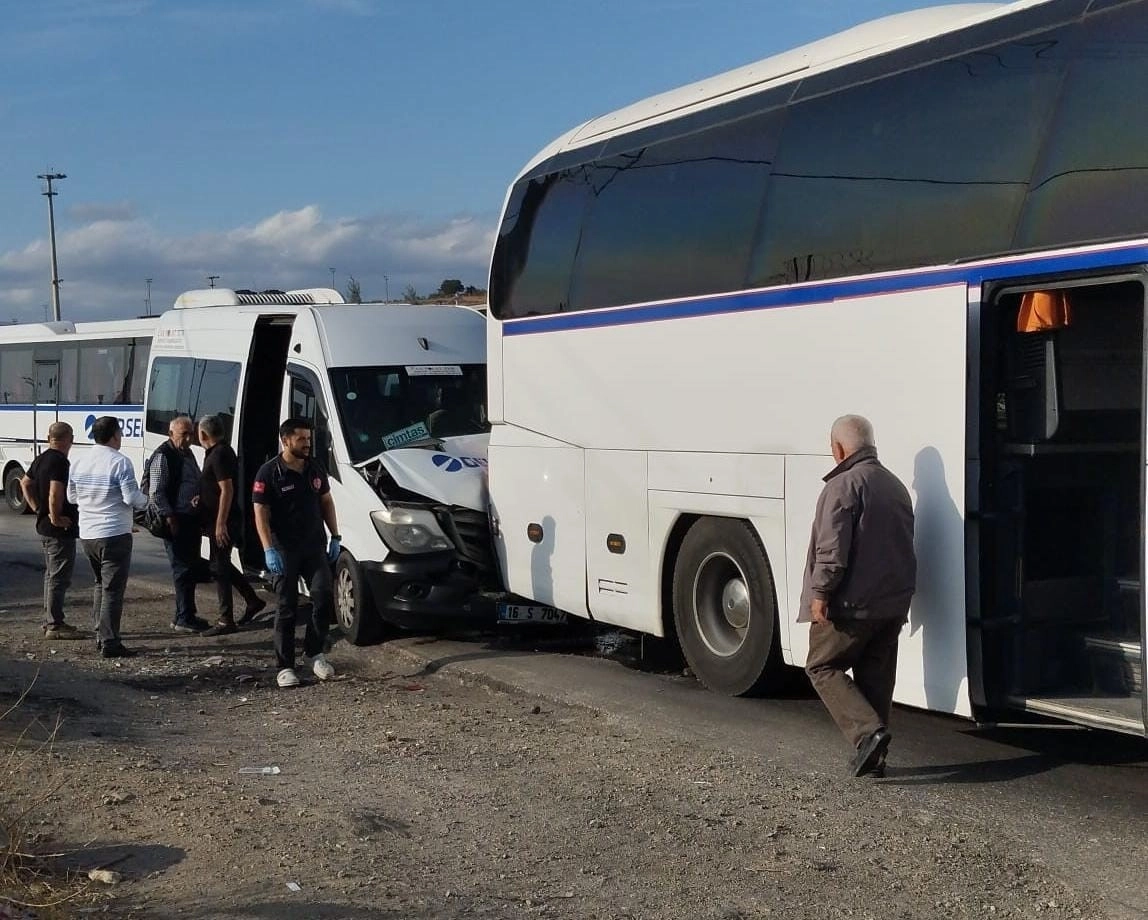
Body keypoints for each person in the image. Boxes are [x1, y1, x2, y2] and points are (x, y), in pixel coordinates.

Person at [799, 415, 917, 778]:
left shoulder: (843, 486)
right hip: (892, 605)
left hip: (851, 605)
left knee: (821, 666)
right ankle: (875, 757)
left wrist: (820, 592)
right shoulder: (896, 486)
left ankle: (869, 735)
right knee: (875, 677)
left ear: (838, 448)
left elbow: (832, 550)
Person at [252, 417, 341, 688]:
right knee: (287, 606)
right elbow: (260, 512)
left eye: (309, 439)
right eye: (301, 439)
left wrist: (335, 536)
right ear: (286, 440)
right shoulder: (269, 473)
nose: (307, 444)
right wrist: (268, 548)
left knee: (323, 597)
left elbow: (327, 501)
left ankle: (314, 653)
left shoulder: (315, 468)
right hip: (284, 549)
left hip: (314, 546)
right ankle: (285, 666)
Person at [66, 415, 149, 658]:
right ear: (114, 436)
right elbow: (131, 498)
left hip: (88, 533)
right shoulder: (120, 462)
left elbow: (72, 497)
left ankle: (99, 632)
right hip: (114, 533)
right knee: (113, 589)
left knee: (100, 584)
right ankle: (110, 642)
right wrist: (149, 501)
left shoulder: (78, 461)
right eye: (119, 433)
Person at [196, 414, 266, 635]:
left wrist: (221, 523)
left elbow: (227, 489)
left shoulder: (219, 454)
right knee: (220, 565)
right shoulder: (218, 452)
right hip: (217, 519)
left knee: (219, 568)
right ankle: (252, 600)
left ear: (203, 434)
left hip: (224, 521)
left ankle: (226, 619)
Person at [20, 422, 83, 639]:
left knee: (51, 575)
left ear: (49, 438)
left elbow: (25, 483)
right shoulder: (60, 462)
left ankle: (49, 619)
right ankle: (54, 624)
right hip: (58, 530)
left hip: (44, 527)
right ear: (70, 439)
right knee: (59, 577)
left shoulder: (41, 458)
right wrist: (55, 517)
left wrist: (37, 508)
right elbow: (55, 493)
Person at [148, 416, 211, 633]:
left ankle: (183, 615)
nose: (188, 438)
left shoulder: (186, 453)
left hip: (190, 518)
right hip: (176, 520)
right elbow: (156, 493)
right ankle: (185, 618)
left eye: (191, 434)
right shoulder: (164, 456)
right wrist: (170, 517)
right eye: (184, 434)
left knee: (189, 568)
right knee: (183, 569)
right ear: (171, 434)